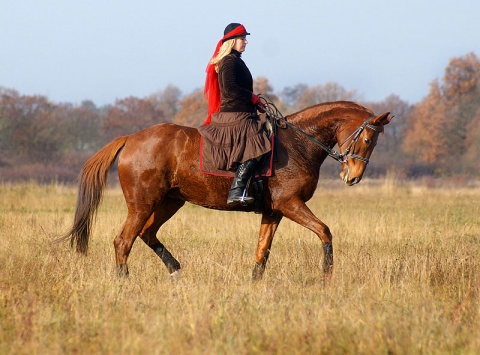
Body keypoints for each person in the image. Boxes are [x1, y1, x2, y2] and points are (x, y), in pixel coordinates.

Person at [198, 23, 271, 206]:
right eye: (242, 38)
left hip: (242, 111)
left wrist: (255, 102)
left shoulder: (236, 59)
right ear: (231, 41)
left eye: (245, 39)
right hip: (234, 114)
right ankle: (236, 190)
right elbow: (230, 89)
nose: (245, 42)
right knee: (259, 144)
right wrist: (252, 97)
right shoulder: (228, 61)